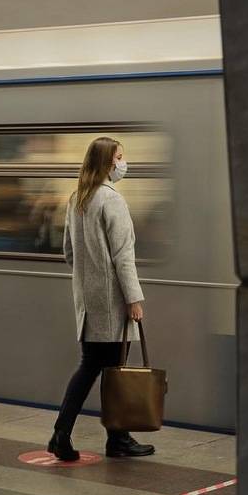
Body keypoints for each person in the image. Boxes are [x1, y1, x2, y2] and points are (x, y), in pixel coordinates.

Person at [48, 135, 156, 462]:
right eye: (119, 157)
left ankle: (99, 437)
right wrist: (134, 299)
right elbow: (123, 257)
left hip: (88, 300)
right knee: (108, 370)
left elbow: (69, 252)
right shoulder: (111, 200)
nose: (123, 163)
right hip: (111, 302)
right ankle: (102, 438)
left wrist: (90, 278)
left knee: (96, 368)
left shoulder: (77, 198)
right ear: (108, 162)